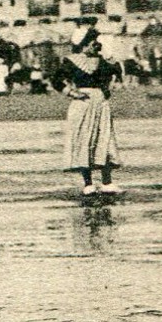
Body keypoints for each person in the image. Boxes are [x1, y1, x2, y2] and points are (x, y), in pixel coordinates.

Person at [57, 27, 122, 196]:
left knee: (104, 139)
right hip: (82, 104)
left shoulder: (102, 60)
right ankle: (88, 183)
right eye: (93, 42)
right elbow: (56, 79)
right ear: (84, 44)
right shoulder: (71, 61)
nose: (97, 45)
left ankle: (107, 181)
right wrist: (72, 93)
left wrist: (112, 68)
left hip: (100, 103)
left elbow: (115, 72)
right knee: (84, 140)